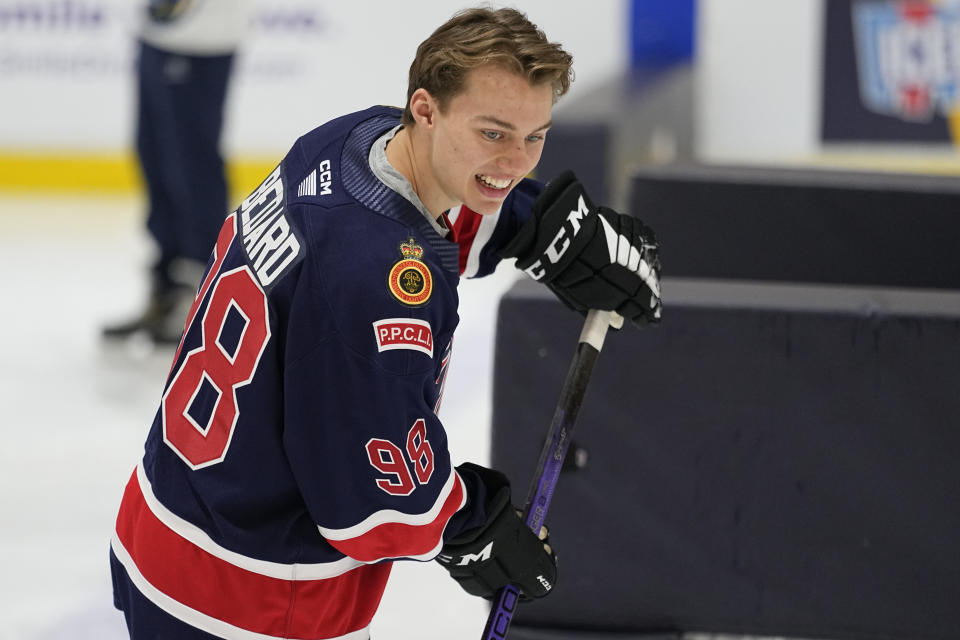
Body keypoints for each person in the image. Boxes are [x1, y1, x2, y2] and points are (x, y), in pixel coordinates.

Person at [109, 7, 662, 639]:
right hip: (247, 600)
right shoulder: (376, 283)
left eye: (534, 137)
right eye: (493, 133)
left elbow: (434, 214)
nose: (516, 163)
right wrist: (473, 528)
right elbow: (370, 503)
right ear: (426, 109)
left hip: (168, 520)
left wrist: (547, 231)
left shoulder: (354, 140)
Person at [103, 0, 252, 345]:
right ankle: (166, 287)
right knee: (155, 157)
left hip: (203, 38)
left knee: (193, 166)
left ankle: (200, 288)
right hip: (157, 32)